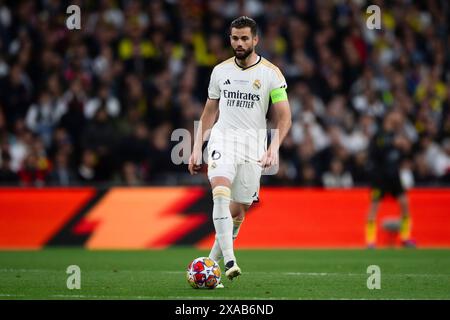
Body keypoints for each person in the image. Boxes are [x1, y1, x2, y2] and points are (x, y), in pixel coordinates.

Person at [188, 16, 292, 284]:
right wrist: (196, 146)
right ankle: (231, 260)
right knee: (220, 191)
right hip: (222, 140)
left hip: (253, 148)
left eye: (245, 38)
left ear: (255, 40)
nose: (239, 43)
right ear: (230, 39)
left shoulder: (271, 74)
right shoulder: (220, 71)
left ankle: (210, 264)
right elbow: (210, 110)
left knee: (239, 210)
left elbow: (284, 117)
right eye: (235, 38)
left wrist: (273, 148)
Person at [366, 110, 416, 248]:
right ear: (389, 117)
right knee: (374, 207)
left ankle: (405, 238)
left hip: (394, 175)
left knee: (405, 204)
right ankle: (370, 241)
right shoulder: (379, 134)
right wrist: (394, 143)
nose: (399, 118)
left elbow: (403, 152)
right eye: (397, 115)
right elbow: (377, 150)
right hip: (380, 177)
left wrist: (405, 147)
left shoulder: (397, 135)